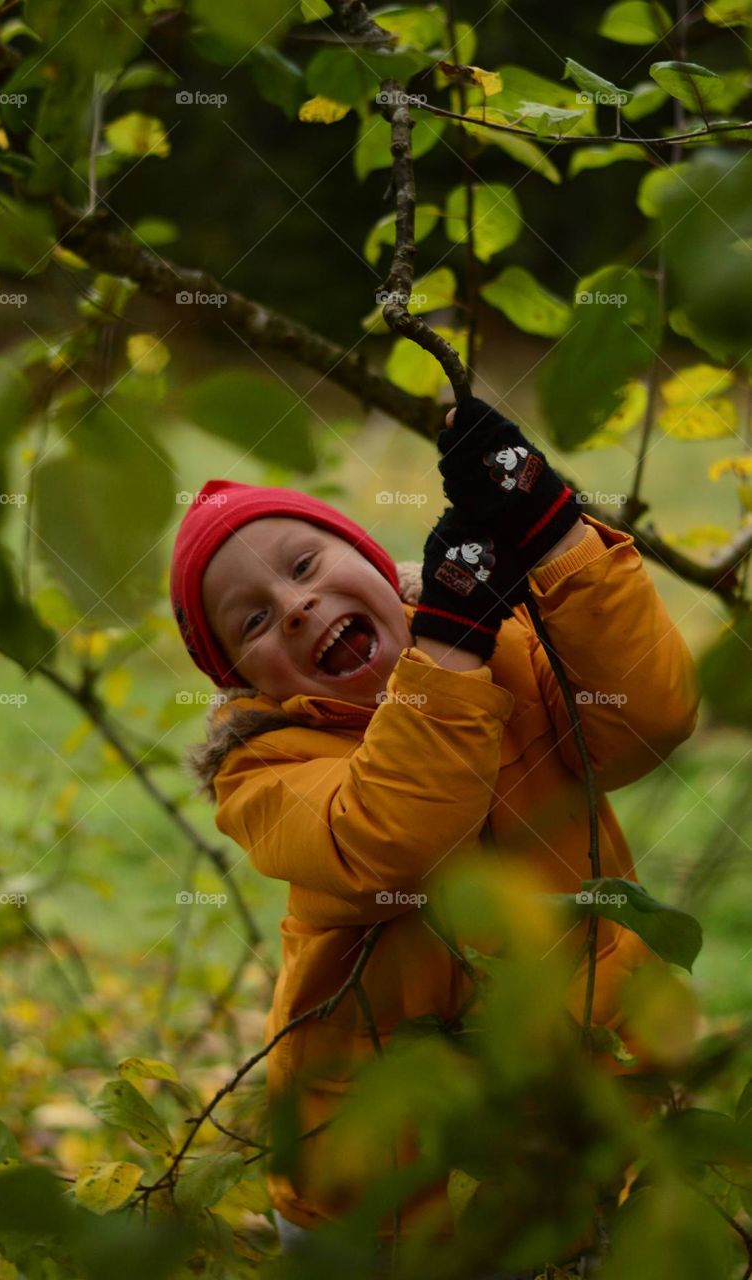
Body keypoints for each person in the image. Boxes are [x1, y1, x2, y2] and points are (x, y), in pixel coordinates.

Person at [168, 395, 699, 1265]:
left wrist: (547, 521)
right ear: (243, 683)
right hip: (381, 1202)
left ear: (377, 565)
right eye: (253, 621)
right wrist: (450, 643)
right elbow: (397, 838)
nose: (295, 605)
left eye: (304, 564)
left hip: (581, 1129)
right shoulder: (263, 771)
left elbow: (651, 718)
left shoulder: (510, 650)